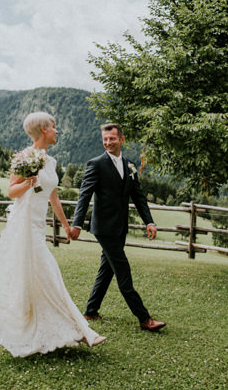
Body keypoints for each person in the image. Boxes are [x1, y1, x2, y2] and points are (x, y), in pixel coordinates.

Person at [0, 112, 105, 356]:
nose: (57, 131)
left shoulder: (52, 161)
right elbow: (12, 191)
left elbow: (53, 197)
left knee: (38, 277)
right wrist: (29, 182)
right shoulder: (25, 157)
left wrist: (66, 226)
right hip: (24, 225)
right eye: (54, 127)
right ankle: (83, 330)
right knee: (49, 272)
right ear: (43, 130)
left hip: (38, 226)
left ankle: (55, 329)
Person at [69, 123, 166, 332]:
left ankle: (91, 311)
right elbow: (84, 195)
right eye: (105, 139)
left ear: (121, 139)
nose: (107, 143)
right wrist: (76, 224)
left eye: (112, 138)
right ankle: (144, 318)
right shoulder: (96, 164)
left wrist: (149, 221)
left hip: (120, 227)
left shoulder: (129, 165)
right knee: (123, 271)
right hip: (103, 228)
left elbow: (138, 197)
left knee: (107, 269)